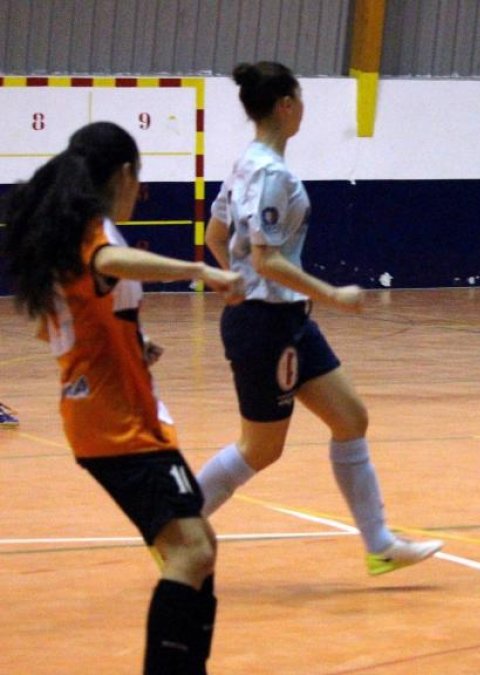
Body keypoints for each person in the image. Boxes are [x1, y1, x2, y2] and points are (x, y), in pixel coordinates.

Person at [0, 121, 244, 673]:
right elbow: (106, 265)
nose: (142, 191)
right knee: (191, 551)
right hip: (116, 423)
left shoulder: (69, 230)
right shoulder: (94, 232)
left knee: (198, 544)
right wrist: (199, 270)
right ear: (126, 174)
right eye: (141, 179)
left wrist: (134, 340)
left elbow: (64, 318)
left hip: (108, 414)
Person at [196, 61, 443, 575]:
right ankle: (175, 521)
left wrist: (232, 277)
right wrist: (331, 294)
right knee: (261, 449)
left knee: (350, 417)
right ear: (286, 106)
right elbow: (266, 260)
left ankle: (379, 544)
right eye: (300, 99)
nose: (303, 108)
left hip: (287, 321)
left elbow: (215, 238)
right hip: (265, 325)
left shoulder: (246, 164)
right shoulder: (270, 174)